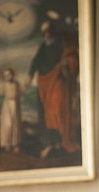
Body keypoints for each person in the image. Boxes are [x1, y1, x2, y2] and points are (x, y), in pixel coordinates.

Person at [29, 18, 80, 157]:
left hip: (58, 81)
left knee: (56, 111)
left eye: (48, 31)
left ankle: (59, 142)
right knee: (46, 114)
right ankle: (50, 143)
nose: (45, 34)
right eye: (43, 32)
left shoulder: (62, 45)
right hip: (44, 83)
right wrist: (29, 77)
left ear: (53, 31)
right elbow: (35, 62)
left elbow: (72, 59)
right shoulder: (44, 46)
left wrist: (64, 65)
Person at [0, 67, 24, 153]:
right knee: (8, 124)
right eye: (5, 75)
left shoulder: (16, 83)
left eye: (9, 74)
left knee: (15, 124)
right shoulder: (3, 84)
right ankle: (7, 143)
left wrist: (25, 87)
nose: (8, 76)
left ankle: (15, 144)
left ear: (13, 75)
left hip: (16, 105)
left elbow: (21, 91)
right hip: (7, 105)